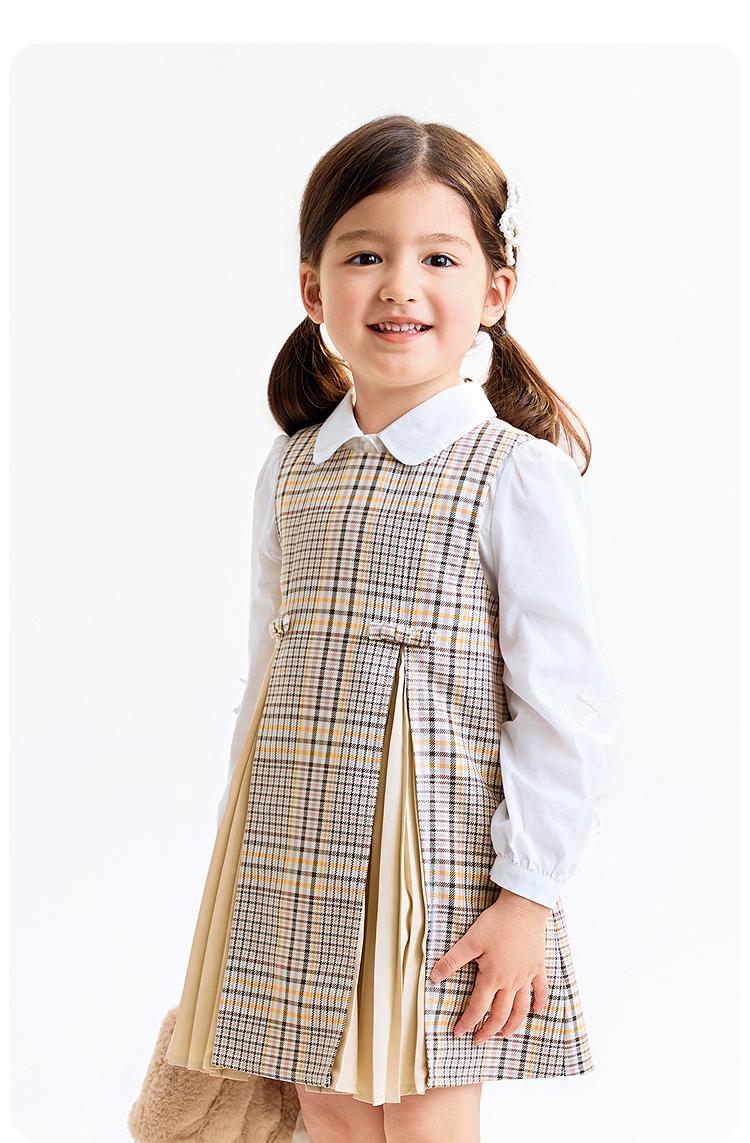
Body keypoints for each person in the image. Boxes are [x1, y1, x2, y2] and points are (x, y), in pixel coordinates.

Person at [165, 115, 618, 1143]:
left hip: (439, 858)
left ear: (495, 292)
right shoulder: (293, 465)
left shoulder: (516, 474)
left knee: (421, 1111)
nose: (400, 286)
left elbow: (565, 707)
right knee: (324, 1103)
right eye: (365, 256)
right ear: (313, 288)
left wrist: (529, 894)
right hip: (290, 843)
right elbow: (268, 663)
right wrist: (240, 852)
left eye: (439, 258)